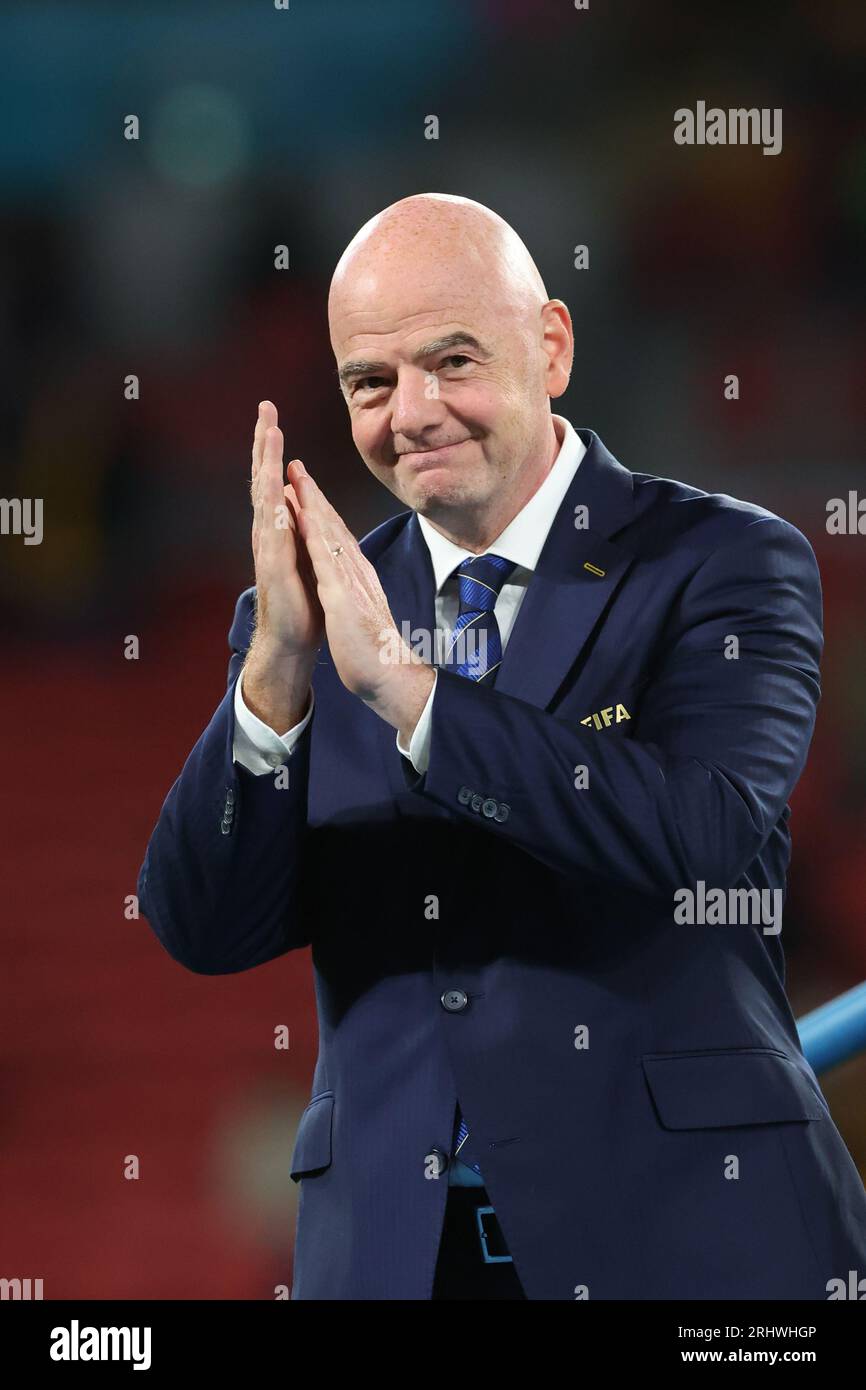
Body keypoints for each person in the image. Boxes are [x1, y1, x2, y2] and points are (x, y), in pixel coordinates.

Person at [138, 192, 866, 1300]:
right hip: (395, 1255)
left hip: (685, 1241)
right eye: (369, 383)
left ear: (551, 346)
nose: (412, 412)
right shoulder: (310, 606)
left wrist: (412, 695)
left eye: (451, 361)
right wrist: (275, 675)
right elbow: (203, 926)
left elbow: (706, 835)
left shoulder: (720, 559)